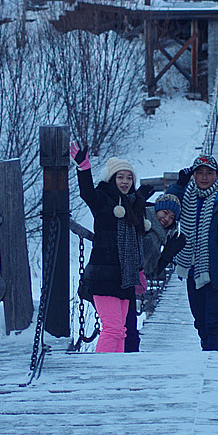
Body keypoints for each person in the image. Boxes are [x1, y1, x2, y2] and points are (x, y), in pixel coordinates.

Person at [70, 142, 149, 353]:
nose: (125, 181)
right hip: (104, 275)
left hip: (125, 277)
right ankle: (100, 373)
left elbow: (139, 240)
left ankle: (117, 373)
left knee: (121, 331)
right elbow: (87, 193)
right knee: (113, 328)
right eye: (120, 177)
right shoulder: (102, 199)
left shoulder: (133, 204)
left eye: (129, 177)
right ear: (111, 178)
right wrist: (83, 168)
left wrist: (139, 271)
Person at [166, 155, 218, 351]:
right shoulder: (187, 196)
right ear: (194, 176)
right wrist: (179, 185)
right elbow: (166, 207)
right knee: (200, 323)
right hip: (192, 271)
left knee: (214, 322)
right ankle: (207, 359)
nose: (204, 177)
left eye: (209, 173)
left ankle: (216, 367)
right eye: (199, 173)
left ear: (217, 175)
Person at [123, 192, 186, 352]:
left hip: (127, 287)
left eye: (172, 218)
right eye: (165, 213)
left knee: (127, 334)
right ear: (157, 208)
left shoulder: (158, 234)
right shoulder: (144, 224)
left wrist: (166, 256)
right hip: (117, 284)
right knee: (123, 332)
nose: (167, 219)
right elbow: (144, 266)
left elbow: (149, 271)